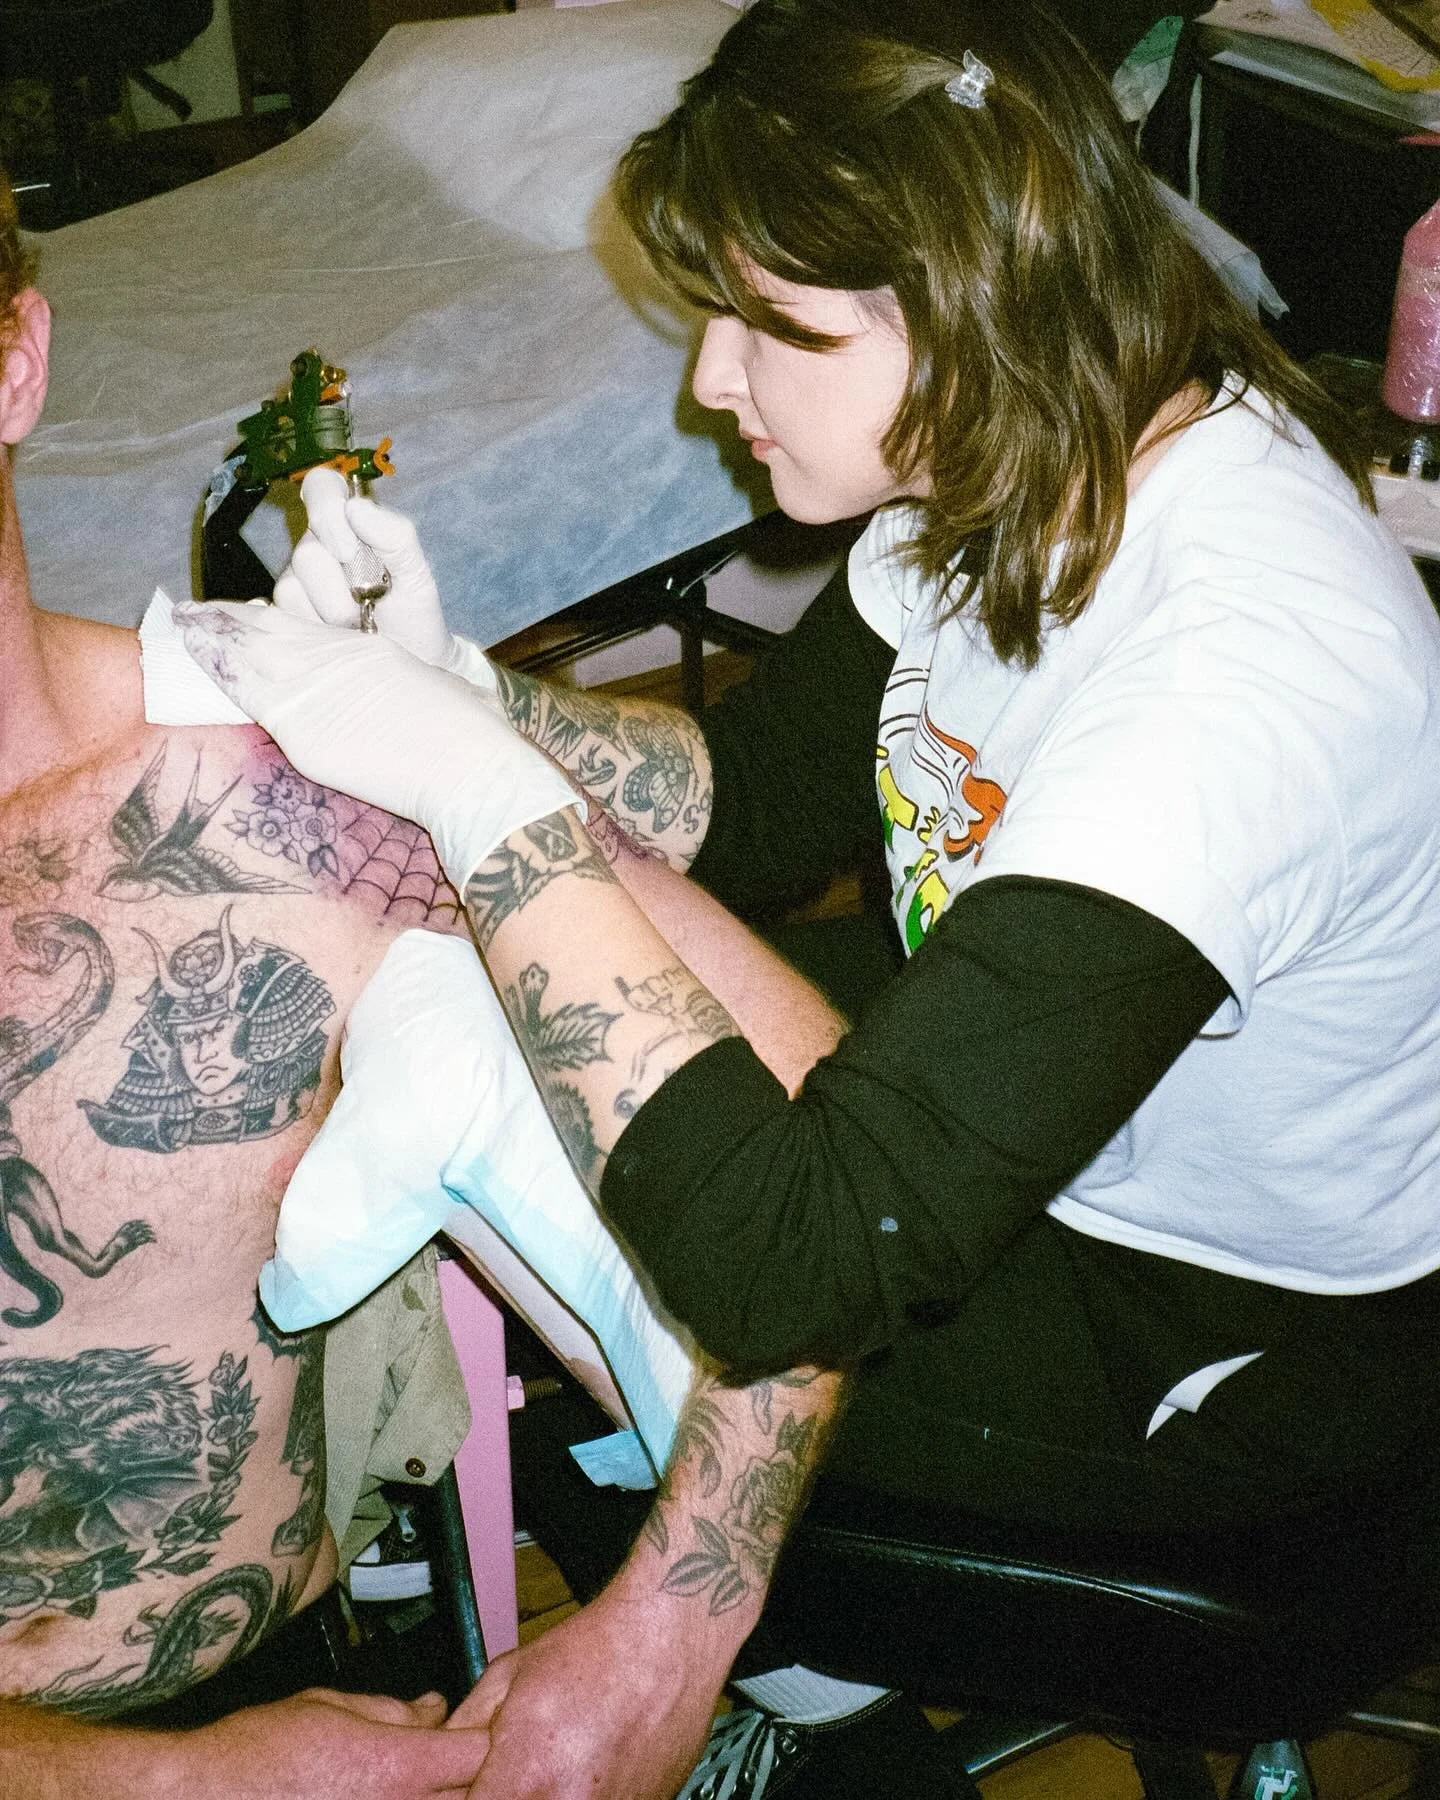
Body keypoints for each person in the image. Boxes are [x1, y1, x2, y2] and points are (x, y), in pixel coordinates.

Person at [178, 0, 1440, 1794]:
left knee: (516, 1046)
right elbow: (748, 806)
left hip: (1210, 1329)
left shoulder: (1240, 675)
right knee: (495, 951)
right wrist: (457, 687)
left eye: (776, 326)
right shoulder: (1013, 456)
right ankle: (796, 1656)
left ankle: (796, 1706)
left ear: (983, 302)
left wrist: (478, 786)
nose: (711, 379)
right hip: (1058, 1111)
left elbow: (806, 1268)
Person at [0, 174, 501, 1797]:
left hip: (281, 1702)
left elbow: (722, 847)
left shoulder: (260, 776)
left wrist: (459, 718)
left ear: (15, 358)